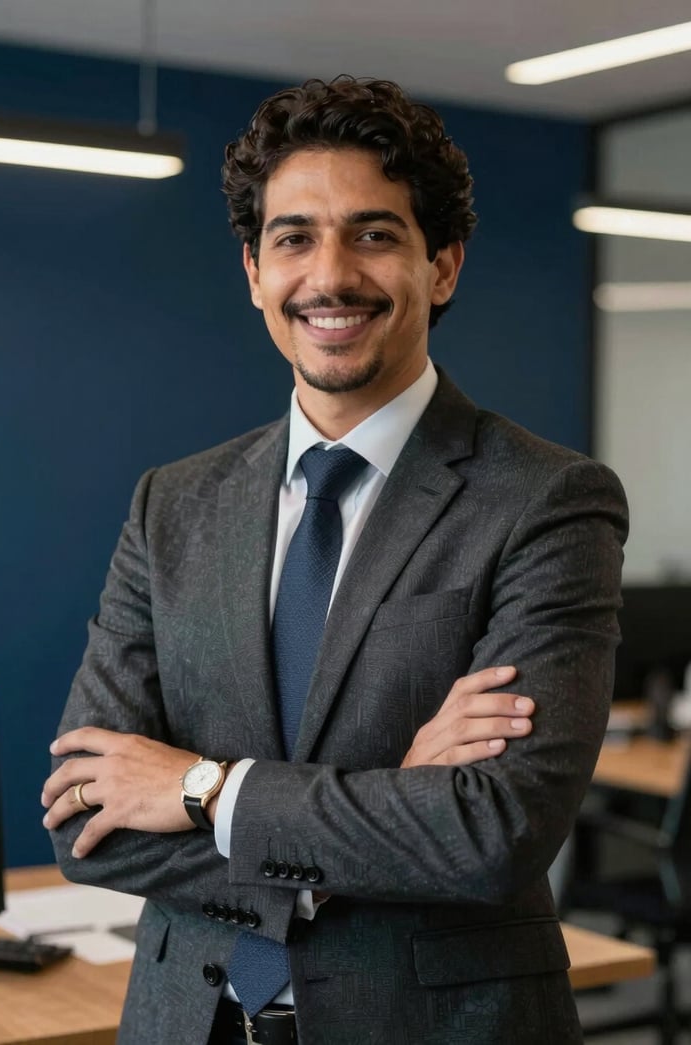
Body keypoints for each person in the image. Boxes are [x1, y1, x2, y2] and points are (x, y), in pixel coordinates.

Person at [41, 76, 628, 1045]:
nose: (331, 274)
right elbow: (82, 821)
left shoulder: (547, 501)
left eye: (374, 233)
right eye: (294, 237)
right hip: (190, 1020)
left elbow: (491, 832)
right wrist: (396, 798)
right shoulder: (173, 504)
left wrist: (202, 791)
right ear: (254, 270)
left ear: (442, 266)